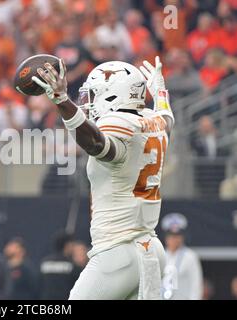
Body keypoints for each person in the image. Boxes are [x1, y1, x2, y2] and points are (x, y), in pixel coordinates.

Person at [31, 54, 174, 299]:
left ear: (112, 94)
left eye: (94, 95)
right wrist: (160, 93)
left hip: (118, 253)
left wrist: (63, 102)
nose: (88, 102)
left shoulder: (118, 123)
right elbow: (167, 119)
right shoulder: (154, 121)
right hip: (151, 251)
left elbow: (98, 144)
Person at [161, 213, 203, 300]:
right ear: (166, 237)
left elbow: (196, 284)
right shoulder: (160, 255)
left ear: (182, 237)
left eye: (177, 236)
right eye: (171, 236)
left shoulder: (190, 256)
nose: (174, 239)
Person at [39, 232, 80, 300]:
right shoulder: (72, 266)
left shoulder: (44, 263)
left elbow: (38, 287)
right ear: (67, 245)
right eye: (72, 244)